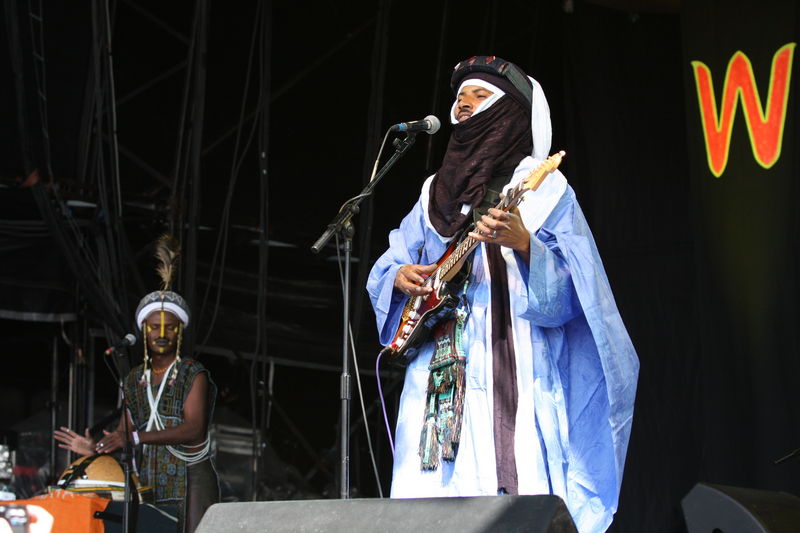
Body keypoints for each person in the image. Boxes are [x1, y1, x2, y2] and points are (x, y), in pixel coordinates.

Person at [367, 56, 639, 533]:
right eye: (460, 97)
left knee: (516, 476)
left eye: (479, 96)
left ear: (510, 113)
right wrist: (398, 275)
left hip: (518, 360)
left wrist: (525, 244)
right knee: (432, 496)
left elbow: (582, 292)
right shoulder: (435, 193)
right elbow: (393, 260)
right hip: (439, 369)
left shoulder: (546, 188)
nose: (464, 104)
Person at [54, 237, 219, 533]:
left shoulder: (193, 373)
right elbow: (123, 435)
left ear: (180, 331)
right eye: (154, 326)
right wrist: (95, 449)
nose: (162, 333)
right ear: (144, 331)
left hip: (190, 476)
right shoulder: (134, 379)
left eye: (170, 327)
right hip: (147, 478)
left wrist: (136, 438)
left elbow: (194, 429)